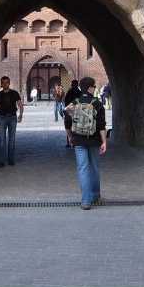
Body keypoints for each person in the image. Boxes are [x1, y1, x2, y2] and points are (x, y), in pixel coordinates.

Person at [64, 77, 107, 210]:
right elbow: (101, 125)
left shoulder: (74, 103)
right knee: (94, 167)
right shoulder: (97, 103)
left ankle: (86, 201)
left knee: (83, 169)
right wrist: (104, 141)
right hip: (94, 140)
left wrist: (70, 137)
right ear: (89, 88)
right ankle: (95, 195)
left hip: (79, 140)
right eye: (94, 86)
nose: (95, 88)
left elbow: (67, 123)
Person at [0, 76, 23, 168]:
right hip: (2, 118)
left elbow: (20, 105)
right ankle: (1, 161)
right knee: (1, 140)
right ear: (1, 84)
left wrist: (20, 115)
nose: (5, 84)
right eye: (3, 82)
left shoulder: (14, 93)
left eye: (7, 82)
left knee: (12, 140)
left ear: (9, 83)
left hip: (13, 118)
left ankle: (11, 160)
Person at [62, 79, 81, 148]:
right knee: (75, 127)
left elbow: (66, 101)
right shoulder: (79, 92)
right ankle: (75, 142)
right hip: (76, 112)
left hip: (70, 112)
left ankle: (69, 142)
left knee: (68, 127)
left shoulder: (69, 92)